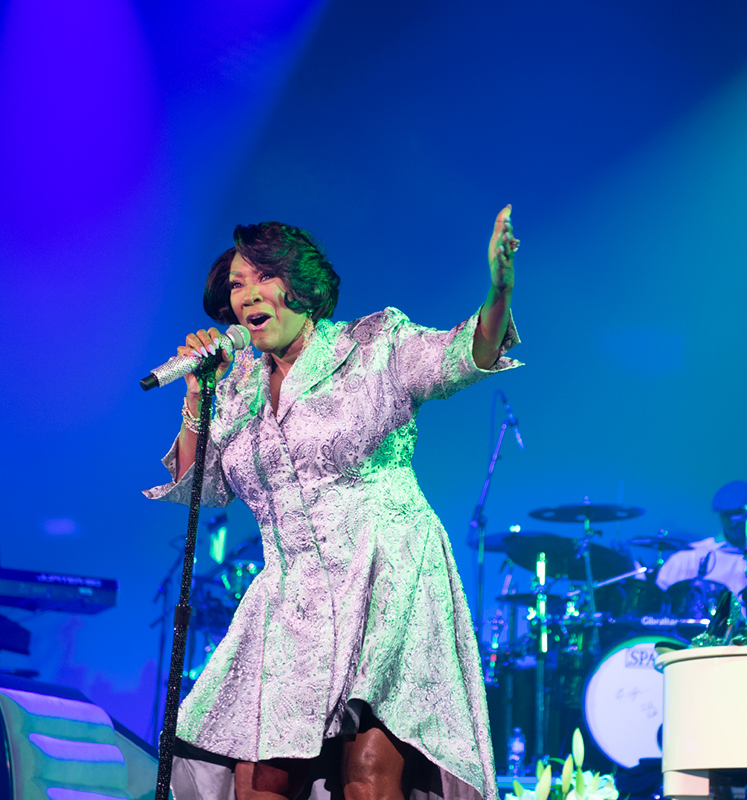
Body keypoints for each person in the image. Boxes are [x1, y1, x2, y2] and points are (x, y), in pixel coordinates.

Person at [145, 208, 520, 800]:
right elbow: (200, 490)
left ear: (301, 285)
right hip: (289, 597)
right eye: (236, 285)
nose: (247, 295)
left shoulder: (374, 346)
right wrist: (198, 393)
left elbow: (461, 354)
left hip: (386, 578)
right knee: (260, 778)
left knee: (368, 773)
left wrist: (498, 293)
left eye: (262, 277)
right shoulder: (236, 386)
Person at [654, 480, 747, 597]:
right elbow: (660, 593)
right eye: (728, 515)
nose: (734, 522)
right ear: (720, 515)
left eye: (738, 514)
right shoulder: (692, 555)